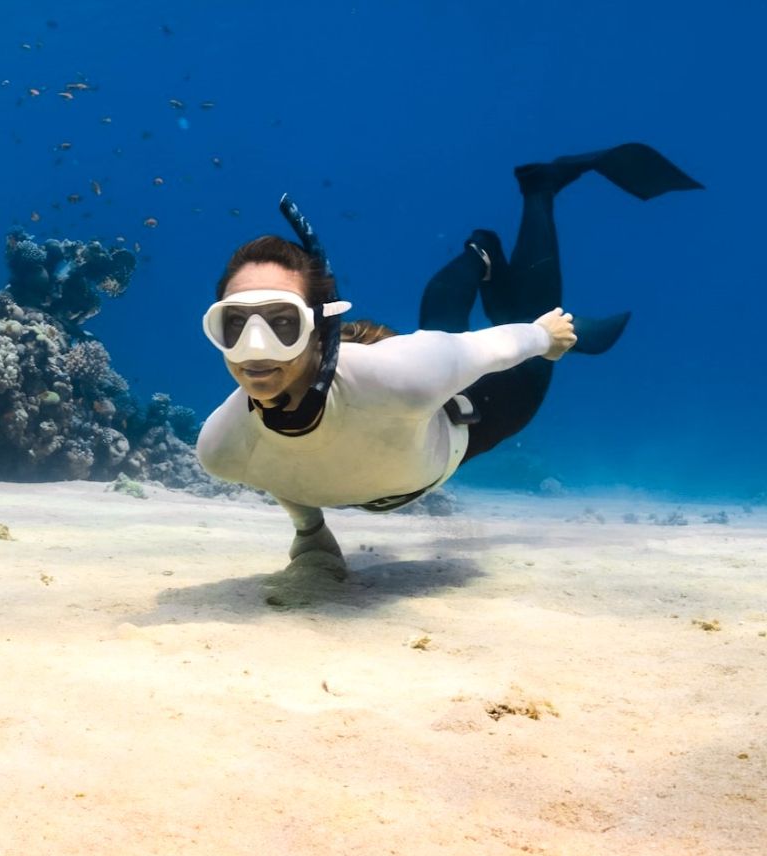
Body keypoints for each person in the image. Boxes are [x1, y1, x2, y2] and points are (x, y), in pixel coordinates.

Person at [195, 143, 702, 587]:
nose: (255, 350)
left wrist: (547, 335)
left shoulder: (403, 379)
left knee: (505, 321)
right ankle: (480, 254)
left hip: (470, 415)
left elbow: (491, 349)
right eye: (234, 325)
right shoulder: (223, 447)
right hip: (414, 386)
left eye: (283, 323)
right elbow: (278, 469)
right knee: (437, 330)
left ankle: (538, 193)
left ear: (319, 326)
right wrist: (311, 535)